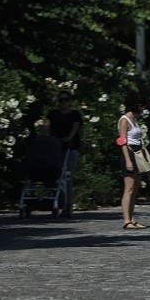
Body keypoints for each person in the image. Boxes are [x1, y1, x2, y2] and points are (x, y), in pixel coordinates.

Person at [48, 90, 82, 218]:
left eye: (66, 99)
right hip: (55, 148)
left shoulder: (74, 114)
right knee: (54, 175)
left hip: (70, 148)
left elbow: (76, 126)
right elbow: (47, 125)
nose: (63, 102)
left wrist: (69, 138)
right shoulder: (53, 113)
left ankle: (67, 205)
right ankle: (55, 202)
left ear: (70, 101)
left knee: (67, 176)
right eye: (61, 99)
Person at [117, 95, 149, 230]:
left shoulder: (134, 120)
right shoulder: (124, 120)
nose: (143, 109)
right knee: (128, 189)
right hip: (129, 153)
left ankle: (132, 218)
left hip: (137, 153)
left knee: (135, 189)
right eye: (142, 106)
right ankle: (126, 220)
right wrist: (128, 160)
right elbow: (122, 141)